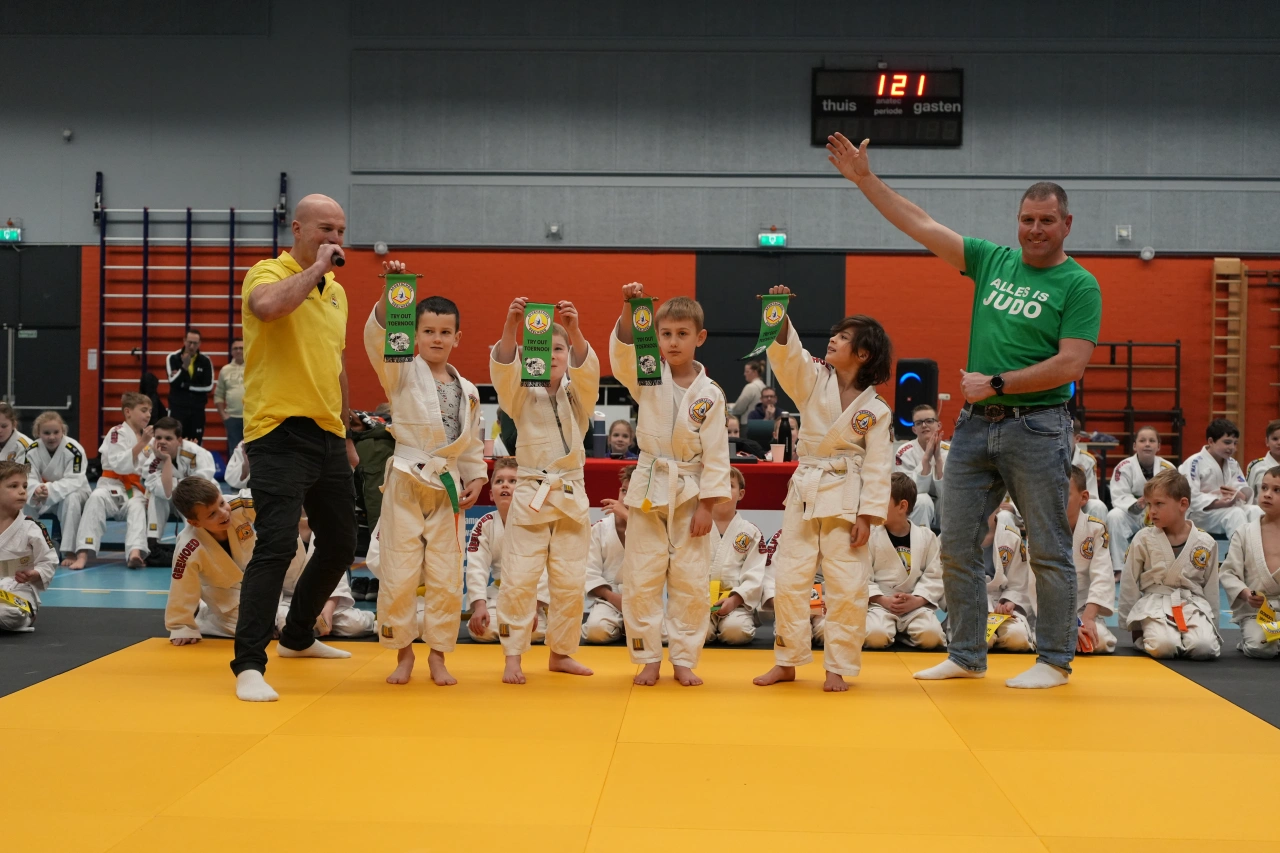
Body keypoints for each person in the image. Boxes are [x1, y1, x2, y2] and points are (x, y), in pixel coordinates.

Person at [825, 133, 1102, 689]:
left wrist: (995, 383)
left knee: (1048, 547)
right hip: (976, 428)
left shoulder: (1079, 285)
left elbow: (1071, 364)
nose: (1035, 229)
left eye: (1047, 221)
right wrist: (865, 180)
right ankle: (967, 654)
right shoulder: (992, 260)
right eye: (1027, 219)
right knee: (956, 544)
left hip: (1038, 427)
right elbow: (920, 224)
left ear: (1067, 224)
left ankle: (1053, 660)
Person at [230, 194, 361, 703]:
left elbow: (336, 363)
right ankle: (248, 664)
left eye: (341, 231)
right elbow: (268, 309)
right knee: (278, 545)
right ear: (298, 228)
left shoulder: (338, 293)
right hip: (278, 430)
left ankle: (298, 635)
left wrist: (346, 433)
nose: (336, 239)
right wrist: (317, 269)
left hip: (327, 433)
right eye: (326, 229)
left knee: (341, 543)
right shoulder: (267, 272)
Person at [752, 285, 894, 692]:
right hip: (807, 489)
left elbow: (879, 467)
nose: (832, 339)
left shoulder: (876, 410)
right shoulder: (815, 380)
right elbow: (788, 357)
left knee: (847, 585)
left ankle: (838, 667)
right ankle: (787, 660)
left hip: (847, 499)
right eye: (835, 333)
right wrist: (778, 312)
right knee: (789, 578)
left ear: (863, 354)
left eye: (843, 337)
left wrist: (868, 516)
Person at [366, 278, 488, 686]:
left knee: (446, 575)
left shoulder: (468, 390)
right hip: (406, 479)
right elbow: (380, 340)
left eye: (445, 332)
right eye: (429, 331)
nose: (437, 338)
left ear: (457, 337)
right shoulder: (401, 372)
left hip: (447, 486)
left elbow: (471, 444)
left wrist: (477, 477)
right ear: (414, 335)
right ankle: (403, 654)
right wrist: (391, 296)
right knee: (399, 571)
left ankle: (438, 655)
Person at [611, 285, 731, 687]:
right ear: (656, 337)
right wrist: (629, 308)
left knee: (691, 582)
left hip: (692, 492)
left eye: (682, 334)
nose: (673, 342)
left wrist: (708, 506)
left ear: (700, 337)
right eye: (665, 334)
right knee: (641, 577)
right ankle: (647, 657)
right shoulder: (647, 374)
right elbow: (621, 355)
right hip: (649, 485)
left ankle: (683, 658)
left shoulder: (711, 394)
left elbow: (717, 454)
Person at [491, 295, 599, 683]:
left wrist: (575, 329)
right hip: (532, 493)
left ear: (567, 354)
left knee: (570, 582)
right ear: (529, 355)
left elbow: (588, 372)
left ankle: (561, 653)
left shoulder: (579, 394)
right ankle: (513, 656)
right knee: (519, 579)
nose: (552, 355)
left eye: (559, 349)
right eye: (544, 348)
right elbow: (504, 368)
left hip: (569, 493)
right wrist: (511, 326)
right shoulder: (521, 393)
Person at [1118, 469, 1220, 661]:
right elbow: (1129, 581)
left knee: (1204, 648)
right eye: (1149, 504)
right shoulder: (1143, 538)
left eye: (1159, 504)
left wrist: (1213, 622)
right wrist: (1133, 625)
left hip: (1192, 604)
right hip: (1155, 603)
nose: (1152, 511)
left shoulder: (1205, 542)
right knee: (1164, 647)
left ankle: (1190, 637)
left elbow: (1212, 586)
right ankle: (1153, 636)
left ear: (1183, 504)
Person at [167, 479, 282, 644]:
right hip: (223, 591)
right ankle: (204, 617)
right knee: (252, 628)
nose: (223, 513)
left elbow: (271, 505)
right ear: (194, 522)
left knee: (288, 533)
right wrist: (182, 626)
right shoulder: (188, 546)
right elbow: (181, 585)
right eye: (212, 514)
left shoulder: (238, 505)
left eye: (221, 503)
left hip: (257, 577)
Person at [67, 392, 153, 570]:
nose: (148, 415)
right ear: (128, 412)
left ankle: (134, 552)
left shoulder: (148, 440)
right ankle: (83, 553)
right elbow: (119, 465)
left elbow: (151, 468)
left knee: (138, 506)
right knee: (95, 498)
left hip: (134, 489)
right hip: (110, 485)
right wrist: (141, 443)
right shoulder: (116, 433)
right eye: (143, 410)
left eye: (150, 411)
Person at [467, 458, 548, 644]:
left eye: (513, 481)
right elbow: (476, 568)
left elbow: (545, 569)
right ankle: (509, 629)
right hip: (498, 592)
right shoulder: (485, 524)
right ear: (491, 494)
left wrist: (534, 606)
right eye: (499, 481)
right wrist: (479, 606)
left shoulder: (537, 524)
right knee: (482, 629)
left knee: (536, 631)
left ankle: (518, 627)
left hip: (530, 596)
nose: (505, 485)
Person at [863, 473, 946, 650]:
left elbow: (935, 576)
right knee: (875, 635)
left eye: (882, 501)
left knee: (932, 636)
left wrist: (917, 600)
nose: (877, 505)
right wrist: (883, 600)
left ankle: (900, 634)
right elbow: (863, 576)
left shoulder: (927, 537)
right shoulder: (870, 535)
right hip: (880, 604)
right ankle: (893, 632)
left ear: (902, 506)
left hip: (915, 605)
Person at [1220, 467, 1280, 658]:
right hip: (1258, 611)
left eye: (1277, 490)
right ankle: (1249, 641)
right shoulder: (1244, 533)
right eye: (1264, 488)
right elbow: (1228, 573)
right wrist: (1246, 594)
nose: (1267, 494)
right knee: (1260, 648)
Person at [706, 467, 768, 645]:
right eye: (717, 485)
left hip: (736, 604)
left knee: (736, 632)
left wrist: (735, 600)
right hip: (700, 601)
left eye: (730, 485)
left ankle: (733, 617)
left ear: (741, 494)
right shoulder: (696, 527)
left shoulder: (750, 533)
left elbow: (756, 573)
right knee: (698, 634)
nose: (723, 490)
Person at [1105, 426, 1174, 576]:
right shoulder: (1123, 467)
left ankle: (1168, 566)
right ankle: (1120, 568)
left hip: (1158, 513)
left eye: (1152, 441)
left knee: (1176, 516)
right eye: (1142, 441)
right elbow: (1119, 495)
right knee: (1114, 516)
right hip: (1132, 513)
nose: (1147, 444)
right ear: (1135, 446)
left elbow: (1174, 497)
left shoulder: (1168, 469)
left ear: (1159, 446)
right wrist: (1135, 504)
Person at [1179, 418, 1261, 544]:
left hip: (1227, 509)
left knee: (1256, 511)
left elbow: (1242, 491)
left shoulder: (1232, 463)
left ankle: (1263, 550)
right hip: (1200, 515)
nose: (1232, 447)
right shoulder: (1194, 463)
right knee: (1235, 514)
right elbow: (1189, 497)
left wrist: (1238, 495)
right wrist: (1218, 503)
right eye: (1227, 442)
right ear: (1211, 441)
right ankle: (1241, 552)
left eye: (1235, 443)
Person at [0, 461, 57, 632]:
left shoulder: (32, 528)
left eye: (24, 486)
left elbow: (48, 562)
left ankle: (27, 614)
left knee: (7, 614)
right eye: (14, 486)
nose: (22, 491)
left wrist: (35, 574)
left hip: (17, 590)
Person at [1065, 466, 1117, 654]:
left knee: (1098, 640)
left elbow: (1102, 575)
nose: (1057, 500)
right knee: (1017, 638)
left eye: (1065, 493)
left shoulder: (1096, 529)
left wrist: (1087, 618)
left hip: (1083, 608)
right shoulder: (1039, 529)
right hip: (1049, 611)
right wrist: (1066, 624)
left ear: (1084, 497)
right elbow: (1035, 583)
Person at [140, 417, 216, 545]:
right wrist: (166, 460)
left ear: (179, 441)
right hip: (169, 499)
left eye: (168, 438)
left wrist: (173, 482)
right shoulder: (153, 460)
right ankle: (153, 541)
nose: (162, 442)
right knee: (155, 497)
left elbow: (201, 484)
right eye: (158, 438)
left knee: (193, 500)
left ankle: (195, 540)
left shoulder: (196, 452)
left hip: (193, 497)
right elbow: (162, 491)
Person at [24, 411, 90, 556]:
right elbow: (28, 477)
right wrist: (36, 490)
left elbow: (74, 480)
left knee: (71, 499)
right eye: (46, 433)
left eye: (56, 432)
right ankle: (28, 546)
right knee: (25, 500)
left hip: (77, 493)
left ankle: (69, 550)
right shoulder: (32, 451)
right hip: (45, 495)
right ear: (38, 433)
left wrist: (48, 490)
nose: (52, 437)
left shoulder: (74, 450)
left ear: (63, 431)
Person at [581, 465, 632, 644]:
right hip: (609, 597)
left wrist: (630, 519)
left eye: (633, 493)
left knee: (665, 635)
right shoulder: (599, 529)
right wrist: (613, 597)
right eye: (624, 491)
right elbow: (589, 572)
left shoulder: (651, 532)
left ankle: (627, 627)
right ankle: (623, 626)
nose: (625, 498)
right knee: (596, 631)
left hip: (641, 598)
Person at [984, 507, 1037, 652]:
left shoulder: (1011, 537)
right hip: (970, 606)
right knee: (979, 638)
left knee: (1017, 637)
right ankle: (990, 638)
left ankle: (995, 639)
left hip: (1002, 606)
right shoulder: (957, 535)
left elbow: (1019, 583)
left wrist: (1009, 602)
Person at [893, 404, 948, 529]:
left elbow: (948, 493)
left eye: (929, 421)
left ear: (938, 425)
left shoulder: (950, 452)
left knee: (951, 501)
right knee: (923, 500)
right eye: (919, 423)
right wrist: (926, 459)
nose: (924, 425)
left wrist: (938, 459)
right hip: (917, 506)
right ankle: (919, 539)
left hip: (941, 506)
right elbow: (908, 492)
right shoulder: (904, 452)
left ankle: (949, 540)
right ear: (914, 429)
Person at [166, 328, 215, 444]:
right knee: (174, 443)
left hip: (197, 411)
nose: (192, 346)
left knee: (195, 445)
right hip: (177, 409)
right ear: (184, 341)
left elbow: (208, 387)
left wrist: (185, 385)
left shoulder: (205, 361)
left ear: (200, 343)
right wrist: (184, 367)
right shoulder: (172, 358)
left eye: (195, 343)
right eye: (189, 342)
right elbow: (173, 382)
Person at [215, 338, 246, 453]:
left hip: (251, 417)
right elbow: (218, 395)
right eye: (235, 348)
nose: (238, 351)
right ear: (231, 351)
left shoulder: (253, 368)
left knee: (252, 451)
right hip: (232, 418)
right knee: (234, 452)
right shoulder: (225, 370)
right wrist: (224, 415)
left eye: (241, 348)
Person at [1245, 419, 1280, 503]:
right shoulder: (1256, 466)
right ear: (1267, 441)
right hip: (1260, 510)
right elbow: (1248, 497)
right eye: (1275, 439)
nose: (1279, 442)